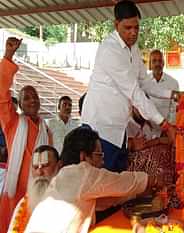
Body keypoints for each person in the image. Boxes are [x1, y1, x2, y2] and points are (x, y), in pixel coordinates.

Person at [81, 0, 179, 172]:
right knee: (104, 183)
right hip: (101, 129)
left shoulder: (133, 48)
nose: (133, 33)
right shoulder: (110, 50)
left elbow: (145, 82)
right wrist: (164, 124)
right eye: (128, 28)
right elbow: (135, 92)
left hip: (119, 129)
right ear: (116, 24)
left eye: (136, 28)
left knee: (118, 182)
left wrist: (174, 94)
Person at [24, 126, 164, 233]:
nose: (102, 162)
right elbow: (123, 181)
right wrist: (154, 179)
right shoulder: (81, 173)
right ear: (83, 156)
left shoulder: (66, 176)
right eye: (99, 155)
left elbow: (106, 199)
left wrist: (138, 193)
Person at [0, 37, 51, 232]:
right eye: (26, 98)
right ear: (19, 105)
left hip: (38, 193)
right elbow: (1, 93)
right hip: (15, 193)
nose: (32, 101)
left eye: (35, 97)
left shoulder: (46, 130)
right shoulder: (12, 123)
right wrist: (8, 56)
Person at [7, 145, 61, 233]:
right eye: (35, 167)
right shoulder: (24, 203)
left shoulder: (67, 199)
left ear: (58, 165)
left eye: (45, 166)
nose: (39, 172)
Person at [144, 49, 179, 139]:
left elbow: (174, 109)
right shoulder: (144, 82)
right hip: (147, 131)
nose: (157, 64)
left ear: (163, 63)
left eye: (160, 61)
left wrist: (168, 128)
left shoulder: (173, 83)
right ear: (150, 64)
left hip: (166, 131)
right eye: (154, 61)